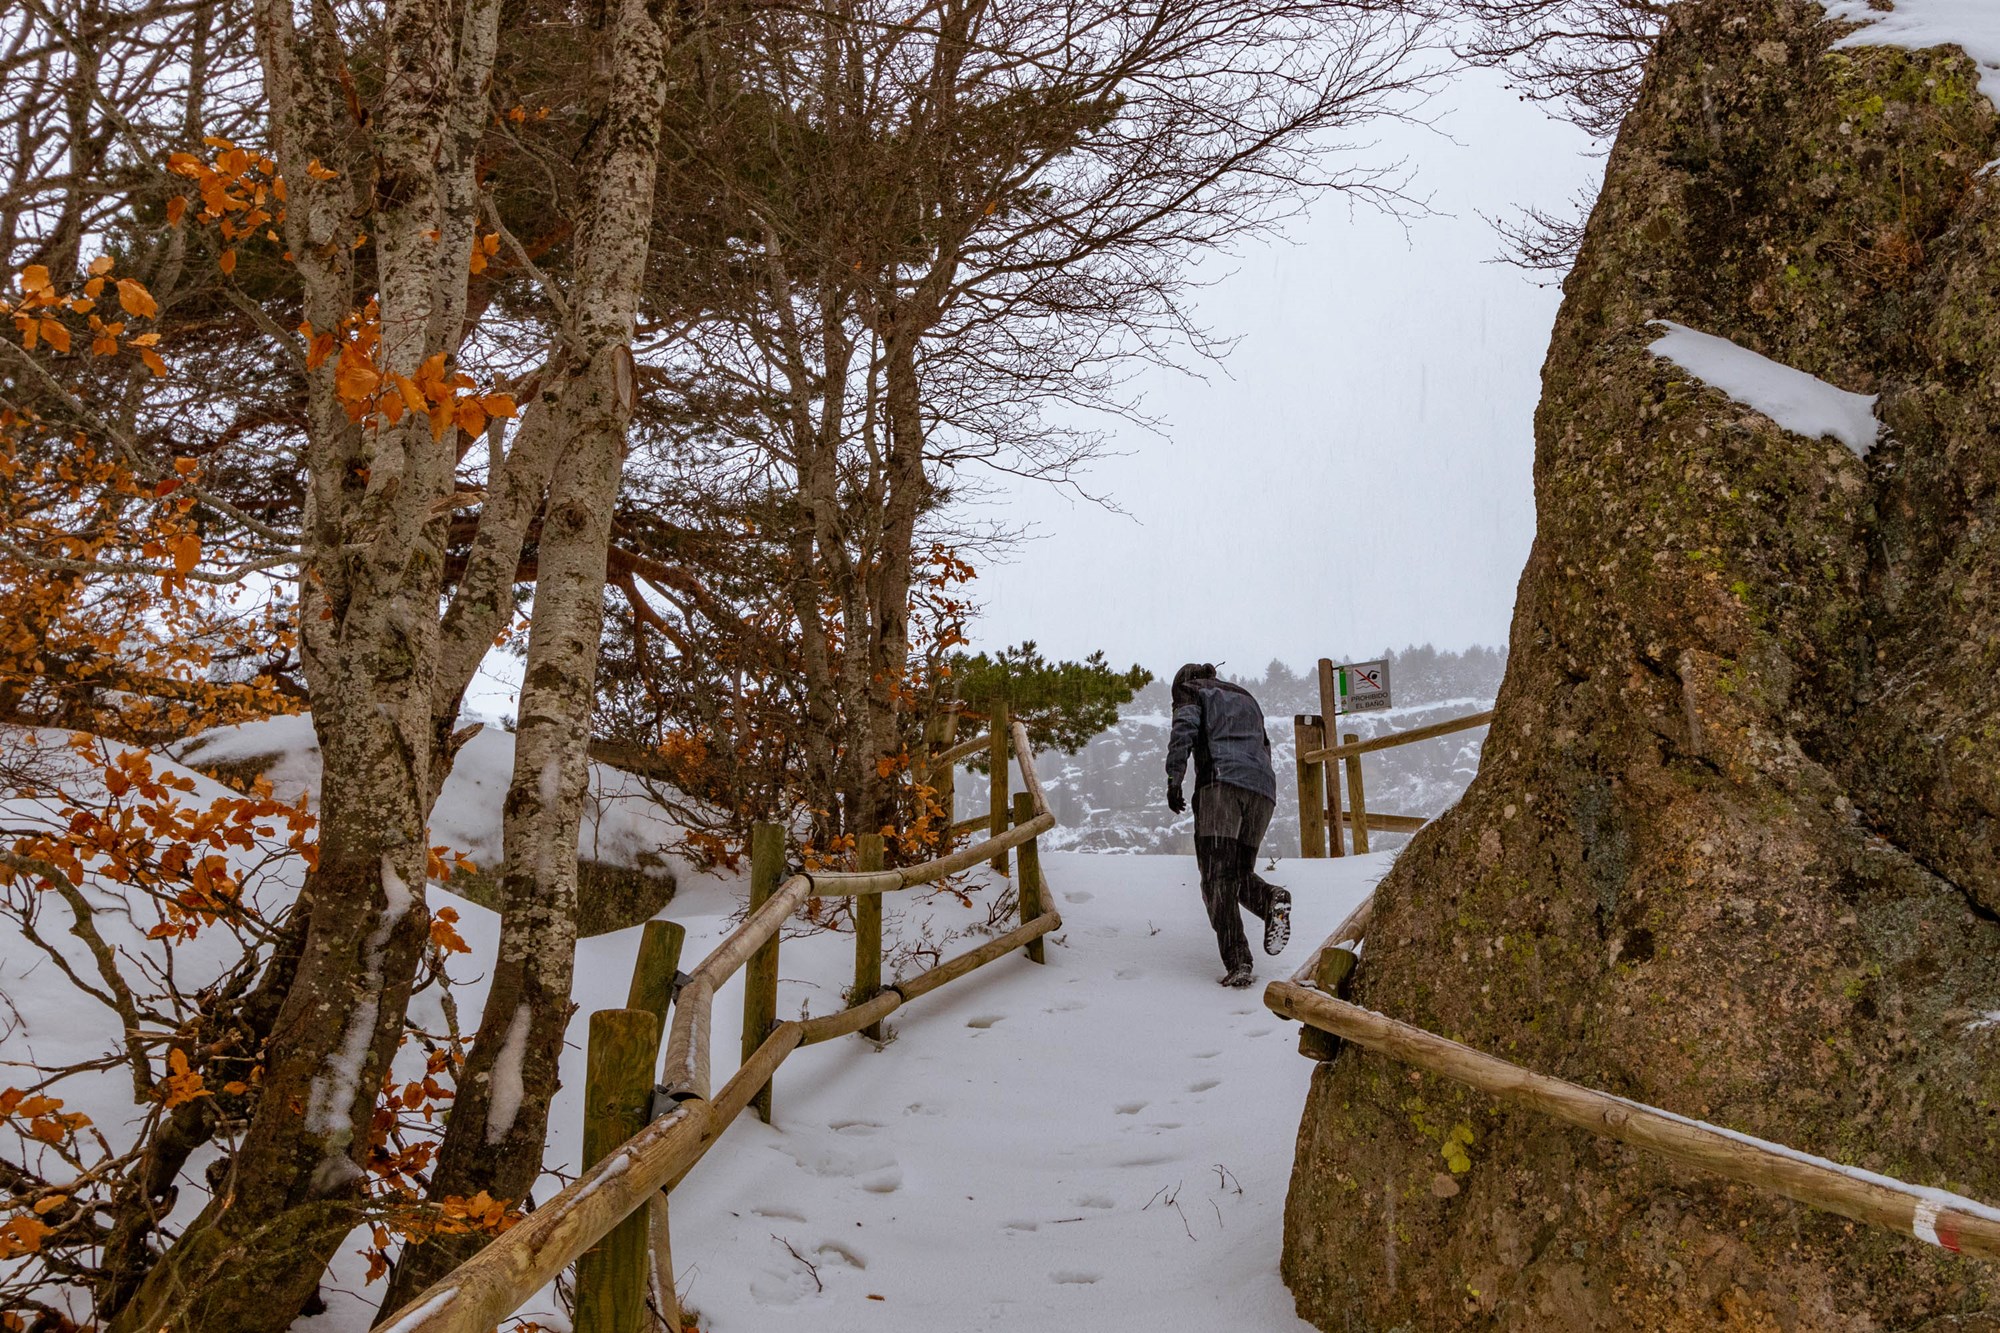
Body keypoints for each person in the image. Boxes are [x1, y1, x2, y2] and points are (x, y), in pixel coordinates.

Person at [1164, 663, 1290, 987]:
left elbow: (1184, 731)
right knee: (1237, 874)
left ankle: (1239, 963)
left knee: (1217, 881)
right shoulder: (1246, 697)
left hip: (1222, 787)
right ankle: (1269, 899)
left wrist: (1174, 779)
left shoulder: (1191, 690)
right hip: (1263, 791)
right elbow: (1264, 746)